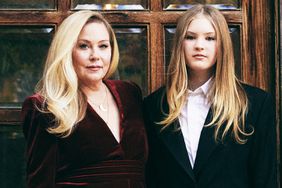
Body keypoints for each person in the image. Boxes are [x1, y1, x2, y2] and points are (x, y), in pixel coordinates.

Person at [144, 4, 277, 188]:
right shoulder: (153, 106)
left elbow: (265, 179)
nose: (199, 45)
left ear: (222, 44)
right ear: (179, 44)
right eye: (190, 37)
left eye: (210, 38)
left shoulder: (256, 104)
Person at [21, 10, 147, 188]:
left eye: (103, 46)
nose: (95, 55)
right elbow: (40, 181)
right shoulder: (44, 106)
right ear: (67, 51)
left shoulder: (130, 93)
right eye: (84, 46)